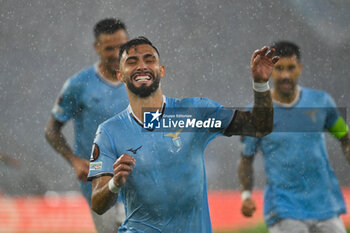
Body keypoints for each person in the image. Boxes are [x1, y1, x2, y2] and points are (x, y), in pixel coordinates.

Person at [87, 36, 279, 232]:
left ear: (161, 71)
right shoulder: (109, 131)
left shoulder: (194, 113)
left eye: (149, 59)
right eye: (132, 62)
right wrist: (115, 183)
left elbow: (259, 127)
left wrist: (261, 84)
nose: (142, 66)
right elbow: (97, 204)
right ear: (120, 75)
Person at [238, 41, 350, 233]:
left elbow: (345, 138)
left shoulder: (321, 102)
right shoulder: (256, 113)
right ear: (271, 70)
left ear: (300, 68)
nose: (285, 75)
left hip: (325, 205)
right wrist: (246, 195)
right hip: (284, 208)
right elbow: (246, 159)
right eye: (279, 68)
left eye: (290, 68)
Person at [45, 18, 129, 232]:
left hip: (137, 178)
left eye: (122, 46)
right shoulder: (79, 85)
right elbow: (51, 130)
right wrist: (74, 161)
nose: (117, 53)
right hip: (99, 182)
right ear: (96, 47)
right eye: (110, 48)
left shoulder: (140, 78)